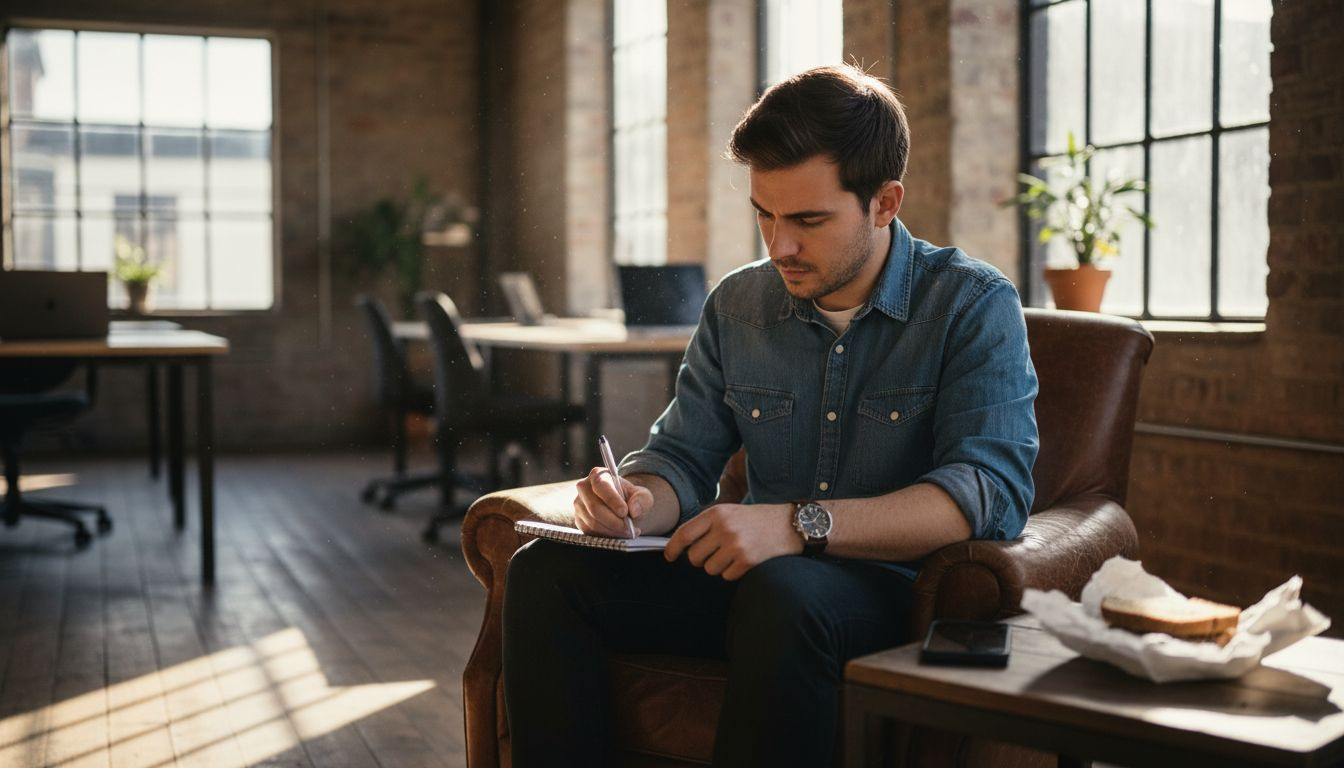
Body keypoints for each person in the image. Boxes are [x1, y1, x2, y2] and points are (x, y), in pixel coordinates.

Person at [501, 64, 1039, 767]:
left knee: (786, 594)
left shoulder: (971, 304)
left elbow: (986, 494)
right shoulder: (738, 305)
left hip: (887, 591)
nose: (778, 244)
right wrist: (633, 501)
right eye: (765, 213)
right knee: (543, 572)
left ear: (884, 202)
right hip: (754, 585)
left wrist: (796, 526)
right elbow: (683, 457)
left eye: (808, 220)